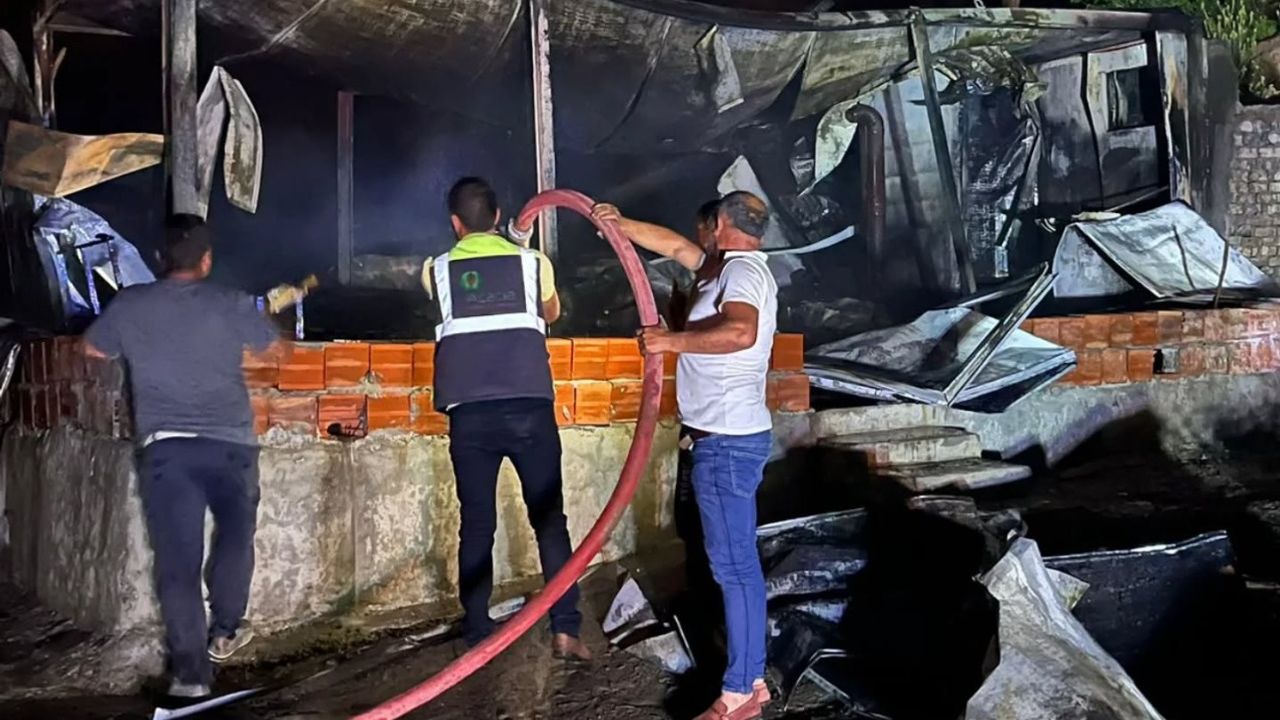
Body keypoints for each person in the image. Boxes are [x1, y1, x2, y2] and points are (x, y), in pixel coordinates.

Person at [82, 216, 284, 699]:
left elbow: (91, 347)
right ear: (207, 260)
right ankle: (226, 629)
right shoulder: (230, 302)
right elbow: (276, 350)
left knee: (177, 562)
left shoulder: (131, 304)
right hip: (231, 445)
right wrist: (269, 316)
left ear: (159, 258)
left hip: (166, 449)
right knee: (236, 535)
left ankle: (191, 677)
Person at [593, 192, 778, 720]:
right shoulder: (724, 268)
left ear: (718, 224)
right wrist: (619, 223)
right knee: (736, 566)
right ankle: (752, 681)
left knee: (735, 569)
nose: (697, 238)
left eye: (704, 228)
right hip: (724, 438)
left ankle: (739, 694)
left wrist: (669, 342)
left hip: (727, 442)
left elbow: (741, 332)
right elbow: (675, 247)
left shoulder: (740, 273)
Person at [421, 177, 590, 661]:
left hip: (469, 415)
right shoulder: (533, 263)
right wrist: (522, 250)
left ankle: (477, 630)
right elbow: (551, 312)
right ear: (497, 217)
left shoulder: (436, 270)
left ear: (455, 223)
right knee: (550, 522)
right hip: (528, 409)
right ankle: (565, 629)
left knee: (477, 524)